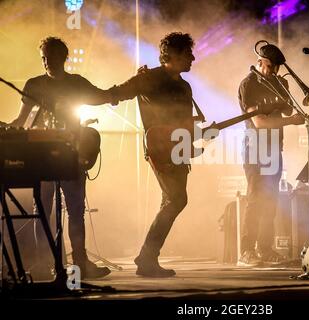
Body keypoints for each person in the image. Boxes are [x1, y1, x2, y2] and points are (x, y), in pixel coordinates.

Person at [9, 37, 111, 279]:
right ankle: (44, 265)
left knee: (75, 210)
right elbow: (21, 120)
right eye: (43, 57)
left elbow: (104, 95)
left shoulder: (76, 83)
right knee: (42, 209)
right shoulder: (34, 84)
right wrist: (8, 129)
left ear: (64, 58)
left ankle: (79, 264)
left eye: (51, 57)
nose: (47, 62)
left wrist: (131, 86)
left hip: (71, 153)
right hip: (42, 156)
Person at [108, 32, 196, 277]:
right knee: (177, 200)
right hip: (160, 148)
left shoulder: (185, 86)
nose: (193, 58)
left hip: (178, 149)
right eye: (188, 53)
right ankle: (146, 257)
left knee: (172, 201)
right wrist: (99, 95)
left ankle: (147, 259)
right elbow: (119, 92)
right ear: (174, 54)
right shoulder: (150, 78)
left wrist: (200, 135)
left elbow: (186, 123)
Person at [238, 44, 305, 266]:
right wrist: (290, 121)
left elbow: (286, 109)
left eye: (277, 68)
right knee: (256, 200)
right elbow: (260, 123)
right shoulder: (248, 85)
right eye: (271, 67)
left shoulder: (279, 82)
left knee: (271, 201)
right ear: (261, 62)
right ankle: (246, 252)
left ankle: (265, 249)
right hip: (255, 148)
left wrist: (282, 89)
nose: (274, 72)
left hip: (275, 147)